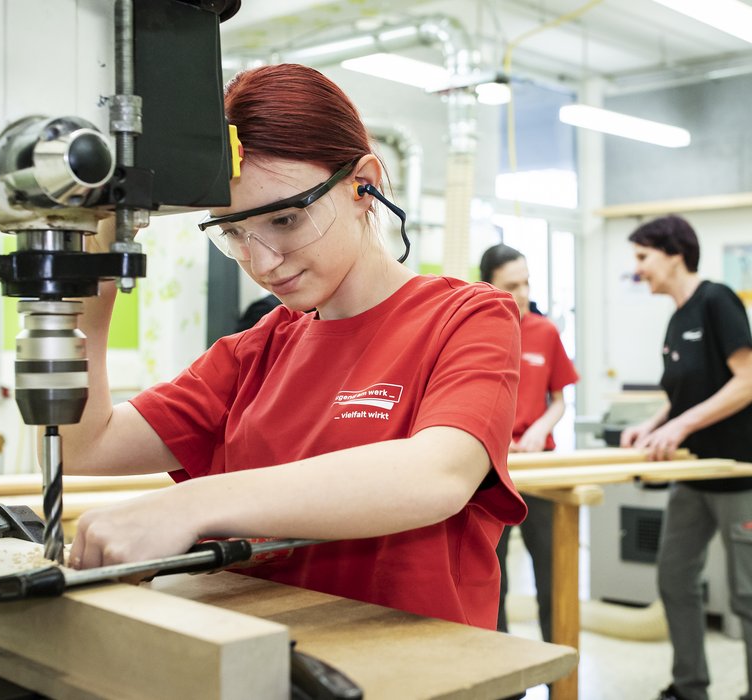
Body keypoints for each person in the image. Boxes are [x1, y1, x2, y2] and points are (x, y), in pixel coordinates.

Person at [60, 64, 527, 630]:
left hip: (418, 673)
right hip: (264, 668)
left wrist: (193, 503)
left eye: (285, 218)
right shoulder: (255, 351)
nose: (262, 262)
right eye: (232, 232)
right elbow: (87, 444)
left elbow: (437, 475)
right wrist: (94, 280)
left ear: (364, 184)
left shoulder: (466, 317)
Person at [619, 215, 752, 700]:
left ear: (674, 253)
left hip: (739, 477)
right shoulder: (677, 318)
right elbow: (685, 394)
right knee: (674, 578)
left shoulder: (717, 300)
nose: (638, 269)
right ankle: (691, 687)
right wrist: (654, 422)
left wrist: (680, 425)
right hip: (694, 477)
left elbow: (751, 380)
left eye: (643, 257)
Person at [478, 244, 578, 643]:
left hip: (540, 469)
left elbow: (559, 400)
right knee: (491, 579)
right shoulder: (476, 332)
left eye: (526, 283)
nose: (521, 293)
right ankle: (504, 680)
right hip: (490, 473)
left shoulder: (545, 331)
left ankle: (561, 680)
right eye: (511, 284)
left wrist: (539, 429)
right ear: (488, 285)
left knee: (553, 574)